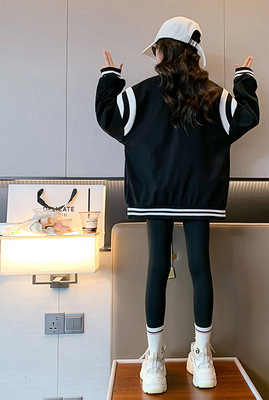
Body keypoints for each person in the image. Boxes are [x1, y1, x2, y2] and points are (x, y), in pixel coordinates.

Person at [95, 16, 259, 395]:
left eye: (156, 48)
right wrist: (244, 79)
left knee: (157, 268)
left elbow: (108, 117)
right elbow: (246, 117)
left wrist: (110, 78)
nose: (153, 54)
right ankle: (202, 359)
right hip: (200, 196)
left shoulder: (139, 94)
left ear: (164, 49)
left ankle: (154, 362)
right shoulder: (216, 95)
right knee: (201, 268)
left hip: (155, 197)